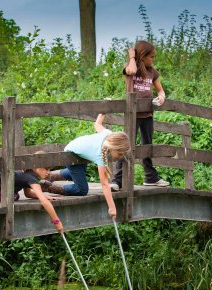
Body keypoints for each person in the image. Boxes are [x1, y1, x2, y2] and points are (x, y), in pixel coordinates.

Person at [41, 113, 131, 219]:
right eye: (120, 154)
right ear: (114, 147)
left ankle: (50, 176)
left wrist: (103, 112)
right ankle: (49, 187)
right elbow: (105, 184)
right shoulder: (100, 155)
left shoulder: (108, 134)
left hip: (78, 151)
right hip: (71, 154)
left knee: (77, 174)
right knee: (82, 190)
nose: (120, 157)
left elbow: (97, 124)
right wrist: (112, 207)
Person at [110, 40, 170, 191]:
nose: (153, 59)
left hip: (147, 114)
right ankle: (117, 181)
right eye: (151, 57)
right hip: (133, 115)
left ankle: (150, 177)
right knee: (126, 145)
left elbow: (160, 90)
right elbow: (130, 71)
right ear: (142, 56)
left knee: (147, 146)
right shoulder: (132, 68)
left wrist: (161, 96)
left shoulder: (152, 72)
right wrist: (132, 57)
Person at [0, 163, 63, 233]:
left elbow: (28, 194)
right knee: (11, 197)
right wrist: (56, 221)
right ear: (36, 167)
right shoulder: (31, 178)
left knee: (15, 196)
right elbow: (44, 202)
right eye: (46, 169)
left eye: (49, 169)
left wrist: (43, 196)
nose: (48, 172)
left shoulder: (29, 172)